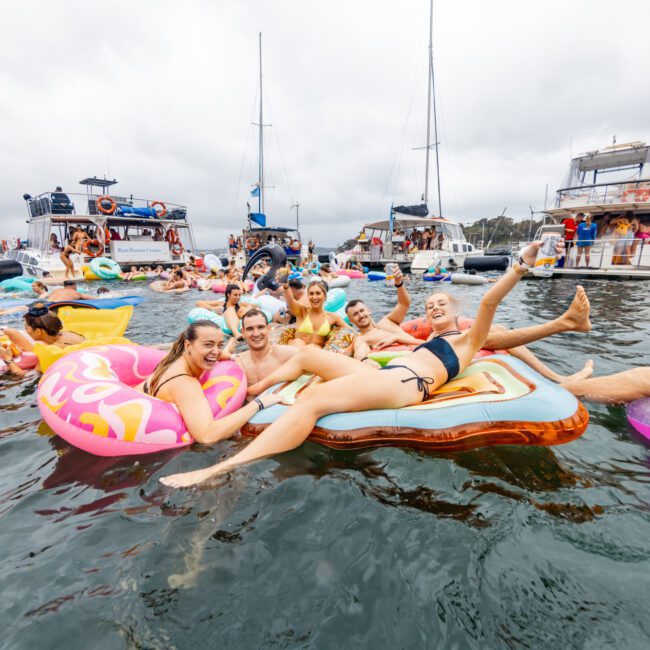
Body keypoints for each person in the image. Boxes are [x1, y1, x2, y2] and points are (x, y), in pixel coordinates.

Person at [159, 241, 564, 487]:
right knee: (308, 354)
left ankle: (217, 469)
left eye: (441, 304)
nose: (434, 307)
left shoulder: (470, 339)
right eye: (430, 304)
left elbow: (491, 302)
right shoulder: (425, 337)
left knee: (313, 400)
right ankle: (255, 391)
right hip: (385, 374)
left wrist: (522, 263)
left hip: (403, 388)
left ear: (458, 314)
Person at [134, 321, 285, 444]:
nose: (216, 351)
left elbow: (214, 354)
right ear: (188, 346)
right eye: (208, 344)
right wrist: (258, 404)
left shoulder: (172, 358)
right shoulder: (185, 384)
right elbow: (207, 436)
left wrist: (231, 357)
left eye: (219, 345)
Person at [1, 303, 85, 376]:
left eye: (26, 328)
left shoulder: (53, 351)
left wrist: (8, 359)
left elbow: (27, 376)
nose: (26, 331)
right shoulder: (69, 334)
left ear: (38, 331)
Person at [232, 309, 300, 385]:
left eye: (260, 327)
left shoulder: (285, 354)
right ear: (243, 333)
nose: (256, 334)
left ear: (268, 329)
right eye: (250, 329)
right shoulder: (238, 362)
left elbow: (311, 354)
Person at [284, 279, 348, 348]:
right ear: (308, 296)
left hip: (315, 354)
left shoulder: (333, 317)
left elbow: (350, 331)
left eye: (318, 293)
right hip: (297, 350)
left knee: (313, 346)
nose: (314, 297)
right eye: (311, 294)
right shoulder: (302, 311)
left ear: (325, 297)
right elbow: (291, 301)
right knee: (299, 342)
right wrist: (286, 287)